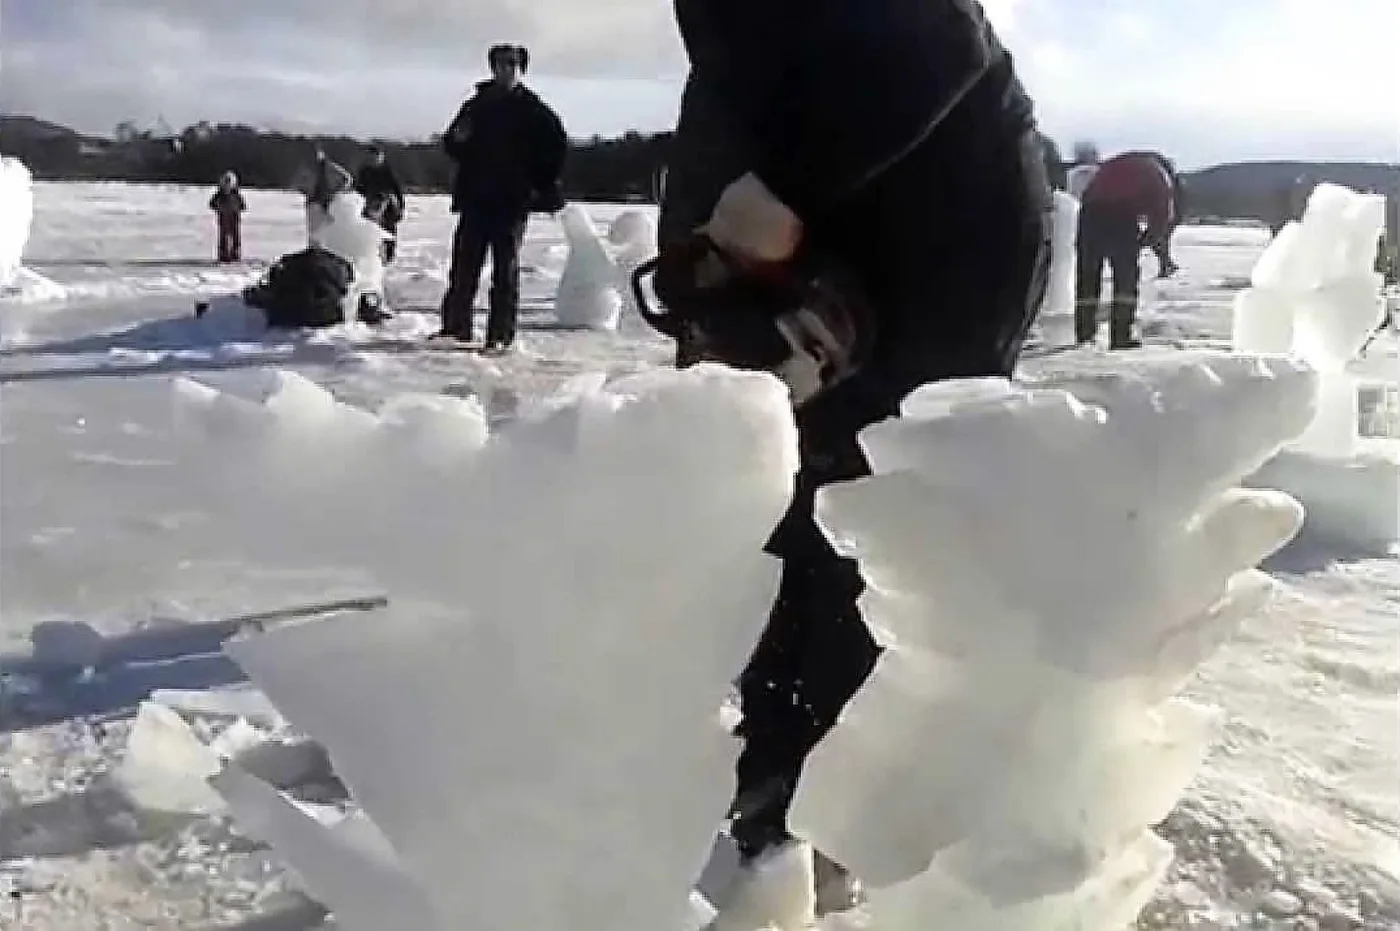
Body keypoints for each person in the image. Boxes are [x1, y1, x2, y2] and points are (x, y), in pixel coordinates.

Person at [643, 0, 1054, 892]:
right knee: (778, 499)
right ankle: (777, 776)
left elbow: (933, 50)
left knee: (874, 505)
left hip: (937, 246)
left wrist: (780, 188)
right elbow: (731, 87)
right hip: (813, 248)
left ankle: (846, 807)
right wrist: (703, 271)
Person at [437, 43, 568, 350]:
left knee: (504, 271)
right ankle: (455, 329)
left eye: (513, 64)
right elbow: (453, 143)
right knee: (463, 268)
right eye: (500, 64)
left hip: (511, 203)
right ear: (492, 68)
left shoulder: (534, 111)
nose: (506, 69)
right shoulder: (476, 105)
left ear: (521, 69)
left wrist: (540, 185)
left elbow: (556, 149)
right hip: (476, 199)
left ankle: (500, 336)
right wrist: (457, 140)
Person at [1073, 149, 1176, 349]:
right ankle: (1120, 336)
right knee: (1125, 277)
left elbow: (1090, 190)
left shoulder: (1122, 162)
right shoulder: (1160, 175)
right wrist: (1151, 237)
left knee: (1088, 275)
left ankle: (1084, 334)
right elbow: (1163, 213)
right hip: (1121, 215)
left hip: (1090, 213)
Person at [355, 145, 406, 263]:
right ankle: (370, 253)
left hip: (387, 204)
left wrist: (401, 207)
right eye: (371, 157)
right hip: (369, 203)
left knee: (389, 230)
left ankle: (389, 255)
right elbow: (359, 188)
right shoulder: (364, 171)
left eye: (376, 156)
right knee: (369, 230)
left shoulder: (388, 171)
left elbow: (397, 190)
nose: (374, 159)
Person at [209, 171, 246, 263]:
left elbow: (242, 205)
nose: (227, 185)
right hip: (223, 217)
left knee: (235, 236)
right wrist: (219, 208)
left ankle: (235, 253)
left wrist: (238, 208)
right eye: (226, 182)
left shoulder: (236, 194)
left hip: (234, 216)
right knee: (224, 236)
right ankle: (223, 254)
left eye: (229, 182)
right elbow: (212, 204)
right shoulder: (219, 194)